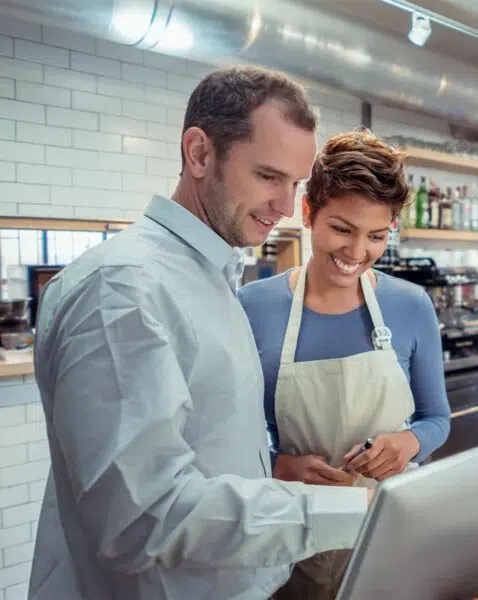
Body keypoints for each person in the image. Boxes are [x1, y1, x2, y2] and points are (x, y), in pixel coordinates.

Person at [28, 66, 374, 600]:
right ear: (198, 153)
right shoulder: (122, 288)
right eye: (268, 176)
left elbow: (207, 449)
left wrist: (275, 472)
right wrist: (353, 511)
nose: (286, 208)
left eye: (295, 184)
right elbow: (142, 518)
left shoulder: (210, 276)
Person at [237, 130, 452, 599]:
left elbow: (438, 420)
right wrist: (279, 465)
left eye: (376, 236)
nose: (357, 253)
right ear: (309, 213)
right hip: (294, 532)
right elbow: (231, 436)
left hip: (388, 529)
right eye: (342, 229)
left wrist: (407, 442)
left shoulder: (411, 305)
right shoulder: (252, 308)